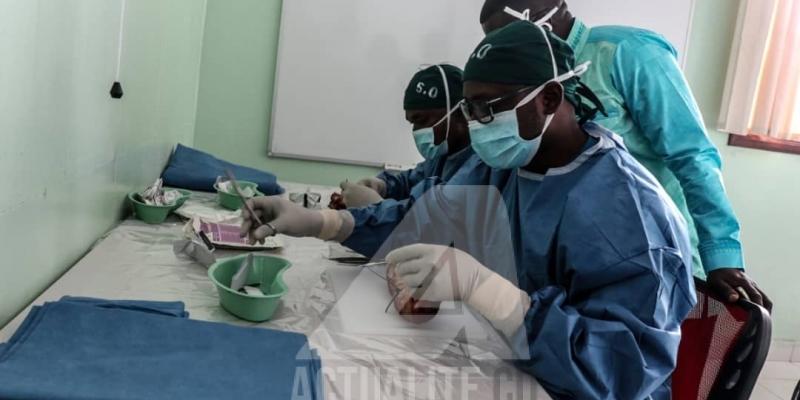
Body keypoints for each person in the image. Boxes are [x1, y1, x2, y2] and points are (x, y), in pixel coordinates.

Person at [241, 22, 696, 399]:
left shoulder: (628, 213)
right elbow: (424, 216)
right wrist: (323, 221)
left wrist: (494, 295)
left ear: (549, 99)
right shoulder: (506, 164)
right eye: (470, 109)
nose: (476, 125)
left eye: (487, 108)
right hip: (518, 362)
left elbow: (624, 373)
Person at [478, 0, 771, 309]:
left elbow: (693, 156)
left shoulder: (628, 53)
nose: (502, 51)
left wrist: (721, 255)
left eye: (505, 39)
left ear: (542, 23)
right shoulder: (528, 84)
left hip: (650, 250)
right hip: (580, 252)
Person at [339, 65, 474, 208]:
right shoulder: (441, 158)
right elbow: (410, 182)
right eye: (413, 123)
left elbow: (430, 221)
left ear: (460, 113)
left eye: (421, 120)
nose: (417, 131)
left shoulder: (480, 168)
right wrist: (384, 186)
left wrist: (378, 207)